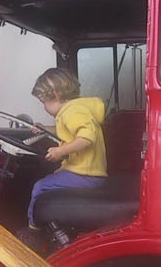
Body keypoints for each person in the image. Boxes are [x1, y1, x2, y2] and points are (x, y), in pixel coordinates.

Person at [18, 68, 108, 247]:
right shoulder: (74, 109)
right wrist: (45, 129)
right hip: (86, 172)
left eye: (43, 102)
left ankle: (33, 232)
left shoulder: (73, 112)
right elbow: (68, 130)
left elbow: (87, 137)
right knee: (49, 180)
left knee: (40, 186)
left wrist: (61, 151)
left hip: (86, 174)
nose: (44, 107)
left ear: (56, 95)